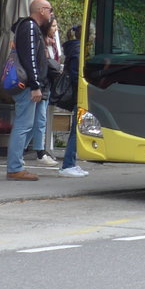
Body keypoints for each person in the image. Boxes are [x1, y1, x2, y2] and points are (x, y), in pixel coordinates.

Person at [5, 0, 53, 181]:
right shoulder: (30, 28)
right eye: (50, 9)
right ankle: (15, 167)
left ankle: (16, 163)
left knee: (27, 125)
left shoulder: (27, 27)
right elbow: (30, 59)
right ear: (41, 10)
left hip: (25, 84)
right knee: (24, 126)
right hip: (27, 85)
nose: (51, 13)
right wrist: (35, 85)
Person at [24, 16, 61, 166]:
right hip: (41, 85)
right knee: (39, 119)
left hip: (46, 85)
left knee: (37, 120)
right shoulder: (42, 44)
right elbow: (47, 65)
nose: (56, 29)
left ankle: (23, 148)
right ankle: (39, 152)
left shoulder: (53, 44)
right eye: (53, 26)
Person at [58, 24, 88, 177]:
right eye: (93, 34)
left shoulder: (75, 49)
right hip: (80, 95)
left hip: (78, 95)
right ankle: (68, 164)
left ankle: (71, 163)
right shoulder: (78, 50)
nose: (95, 37)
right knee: (76, 130)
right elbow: (77, 75)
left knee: (77, 129)